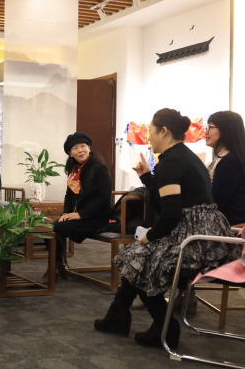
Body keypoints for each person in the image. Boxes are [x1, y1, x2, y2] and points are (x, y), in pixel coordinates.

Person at [94, 108, 241, 349]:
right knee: (139, 256)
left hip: (198, 239)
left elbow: (171, 212)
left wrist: (150, 236)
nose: (148, 137)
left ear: (164, 131)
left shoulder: (172, 162)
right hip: (201, 232)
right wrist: (146, 177)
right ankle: (120, 314)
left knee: (140, 258)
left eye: (151, 131)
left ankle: (162, 324)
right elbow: (168, 202)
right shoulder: (182, 157)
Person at [40, 132, 112, 284]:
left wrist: (81, 215)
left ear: (89, 148)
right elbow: (69, 195)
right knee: (51, 228)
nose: (80, 150)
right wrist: (65, 213)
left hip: (98, 217)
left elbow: (104, 197)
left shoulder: (99, 167)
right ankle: (58, 266)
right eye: (75, 148)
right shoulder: (74, 169)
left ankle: (56, 268)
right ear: (70, 153)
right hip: (82, 215)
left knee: (57, 228)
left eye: (83, 146)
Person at [205, 111, 245, 225]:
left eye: (210, 127)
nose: (206, 132)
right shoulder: (227, 157)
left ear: (226, 130)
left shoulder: (230, 161)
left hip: (231, 227)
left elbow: (216, 201)